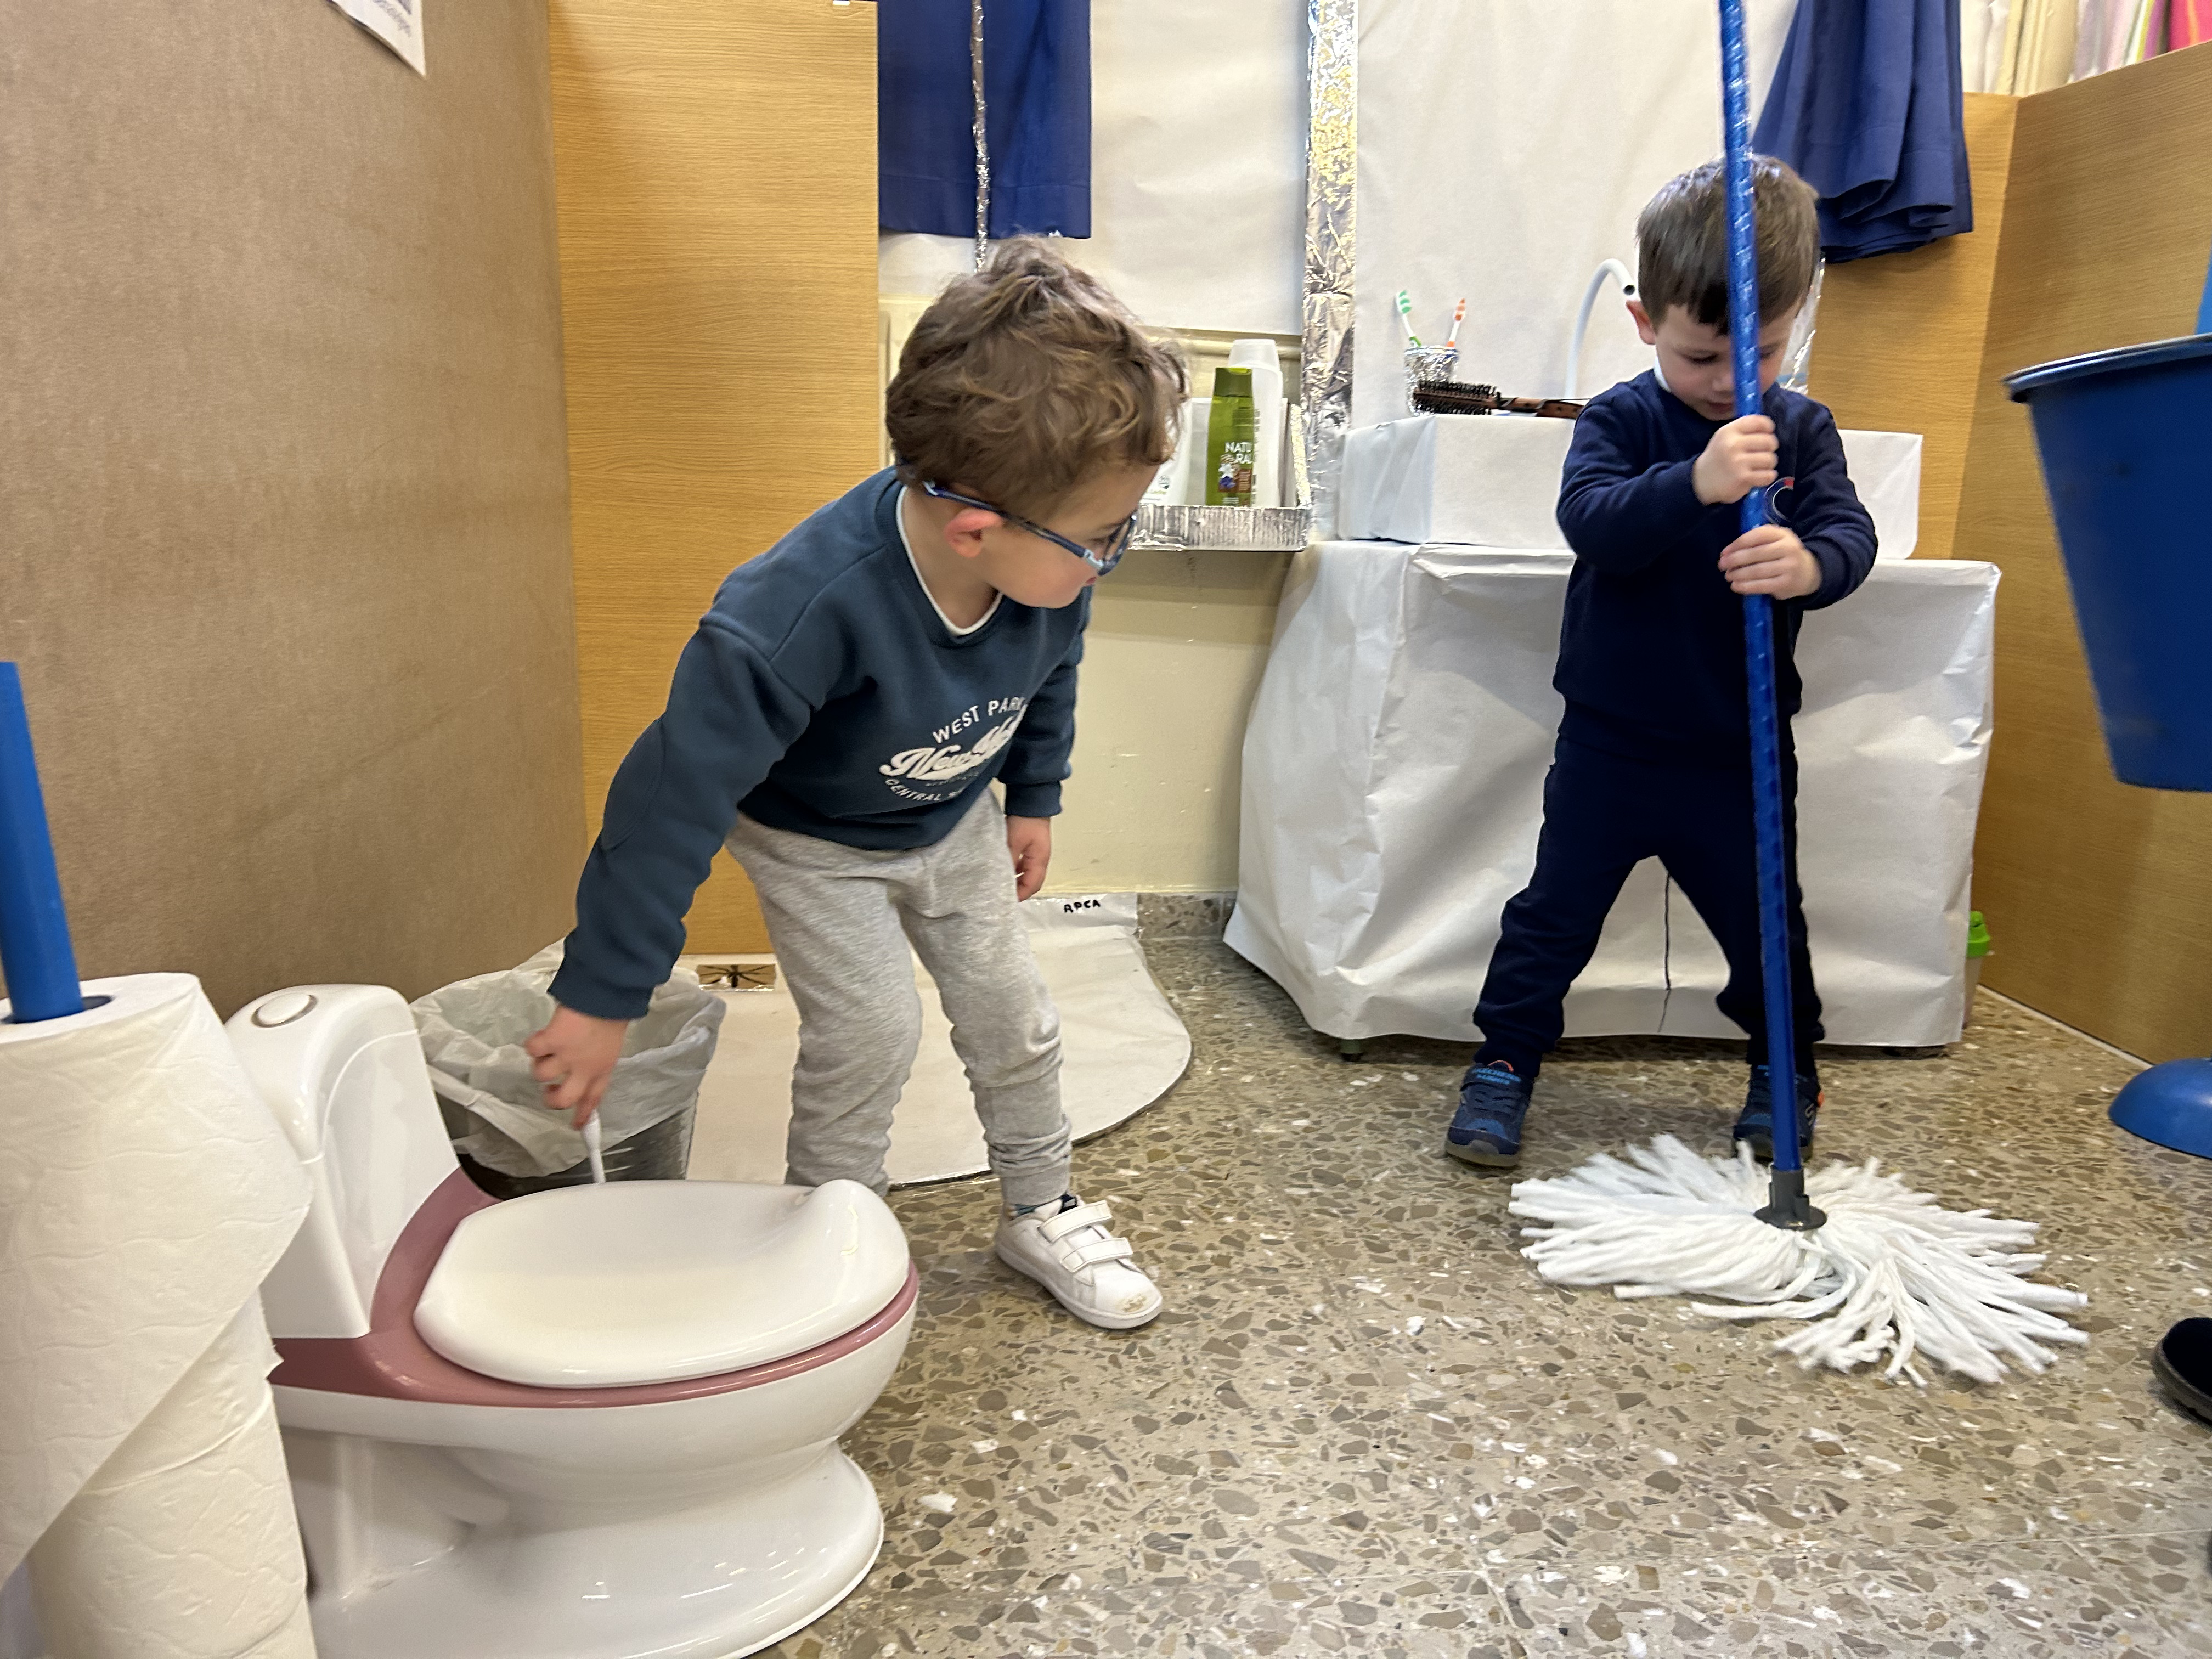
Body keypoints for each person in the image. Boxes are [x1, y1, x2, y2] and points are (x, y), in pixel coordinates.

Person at [525, 238, 1183, 1329]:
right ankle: (835, 1232)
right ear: (978, 527)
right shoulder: (788, 616)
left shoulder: (1044, 565)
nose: (1109, 560)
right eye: (1105, 539)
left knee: (1015, 1018)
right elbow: (666, 804)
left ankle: (1042, 1206)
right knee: (870, 1036)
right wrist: (603, 998)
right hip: (814, 842)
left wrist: (1036, 794)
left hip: (953, 820)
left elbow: (1049, 673)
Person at [1443, 156, 1877, 1171]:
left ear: (1800, 316)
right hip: (1613, 737)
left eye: (1761, 353)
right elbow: (1591, 523)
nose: (1731, 383)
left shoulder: (1803, 430)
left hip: (1740, 745)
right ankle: (1505, 1061)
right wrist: (1698, 479)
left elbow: (1851, 541)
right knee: (1553, 915)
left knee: (1770, 924)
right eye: (1700, 358)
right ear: (1647, 324)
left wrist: (1808, 563)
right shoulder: (1623, 418)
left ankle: (1785, 1068)